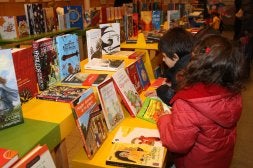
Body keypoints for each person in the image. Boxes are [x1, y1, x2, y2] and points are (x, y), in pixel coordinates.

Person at [157, 34, 247, 168]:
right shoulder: (232, 93)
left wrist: (163, 119)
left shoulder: (189, 100)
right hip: (219, 160)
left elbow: (177, 143)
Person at [145, 27, 194, 106]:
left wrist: (159, 92)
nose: (163, 60)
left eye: (164, 56)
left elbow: (172, 97)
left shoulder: (181, 74)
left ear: (175, 57)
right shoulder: (190, 62)